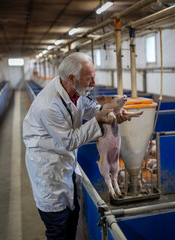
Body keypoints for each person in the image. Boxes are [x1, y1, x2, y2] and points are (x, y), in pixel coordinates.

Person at [23, 52, 132, 240]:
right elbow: (70, 141)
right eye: (89, 79)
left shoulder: (75, 91)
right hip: (49, 170)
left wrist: (110, 113)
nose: (94, 83)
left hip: (66, 165)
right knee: (58, 230)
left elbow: (91, 109)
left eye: (93, 78)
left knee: (72, 219)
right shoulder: (48, 105)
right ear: (71, 78)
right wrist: (100, 119)